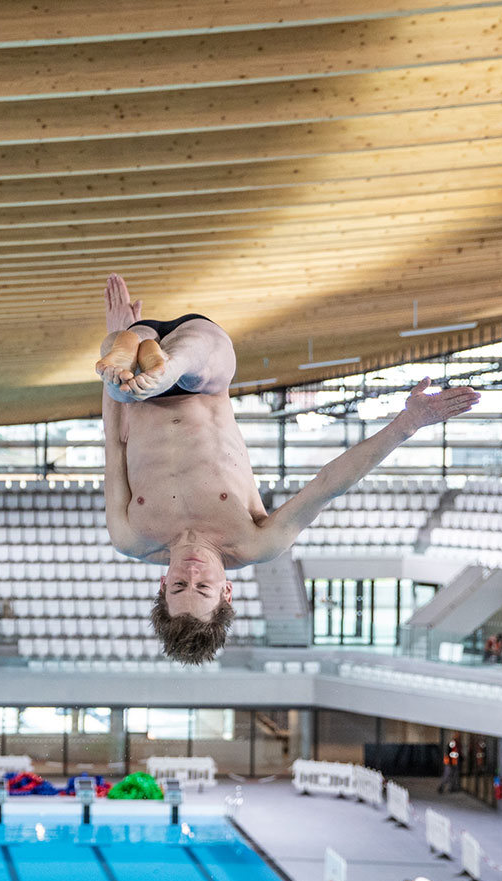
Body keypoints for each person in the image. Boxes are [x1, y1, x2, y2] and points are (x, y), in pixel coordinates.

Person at [96, 274, 480, 664]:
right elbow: (328, 485)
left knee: (123, 381)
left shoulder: (132, 536)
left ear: (163, 585)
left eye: (179, 586)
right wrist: (405, 425)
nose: (192, 573)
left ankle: (129, 353)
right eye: (204, 587)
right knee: (189, 356)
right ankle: (158, 363)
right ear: (226, 590)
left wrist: (117, 353)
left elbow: (115, 443)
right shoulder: (255, 542)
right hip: (204, 377)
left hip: (136, 389)